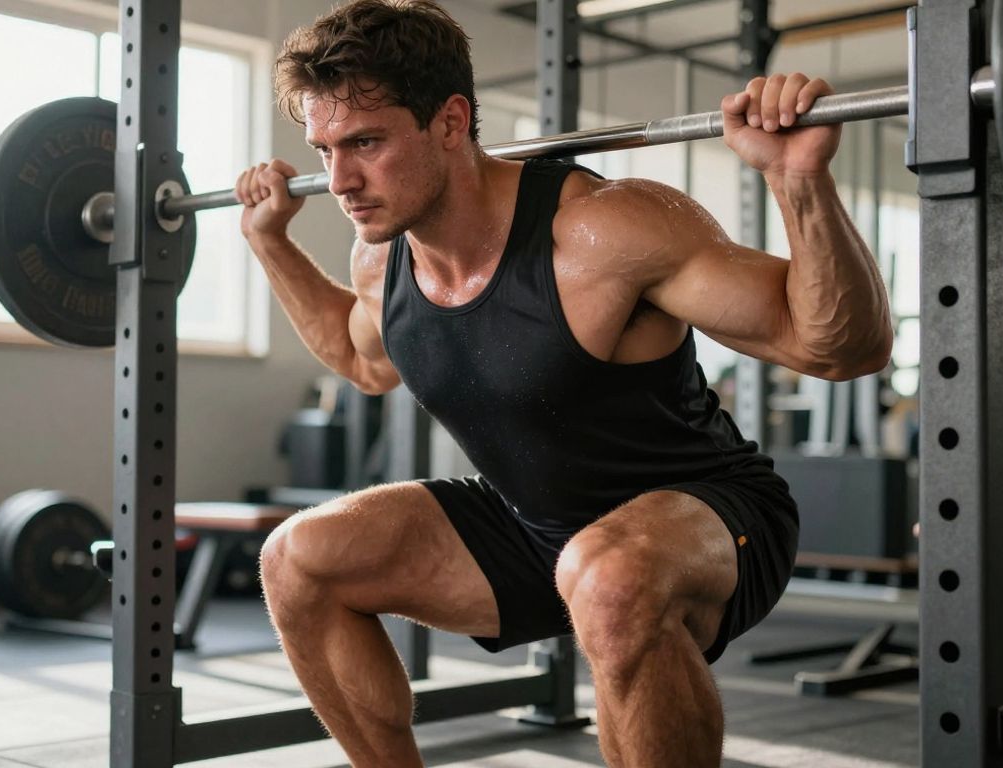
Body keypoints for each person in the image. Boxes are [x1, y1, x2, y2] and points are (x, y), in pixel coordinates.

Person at [233, 1, 892, 766]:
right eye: (324, 149)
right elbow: (364, 361)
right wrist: (267, 240)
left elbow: (839, 348)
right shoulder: (381, 258)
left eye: (366, 143)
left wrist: (798, 179)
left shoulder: (603, 232)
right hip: (535, 529)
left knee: (608, 577)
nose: (340, 180)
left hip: (710, 516)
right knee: (297, 559)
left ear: (451, 122)